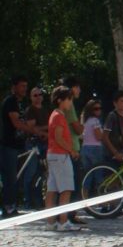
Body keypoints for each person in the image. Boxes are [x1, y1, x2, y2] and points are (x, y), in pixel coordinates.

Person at [1, 75, 37, 218]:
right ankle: (8, 207)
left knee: (14, 177)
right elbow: (16, 123)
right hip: (7, 145)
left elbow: (24, 123)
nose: (24, 89)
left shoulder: (20, 103)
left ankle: (12, 205)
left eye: (25, 86)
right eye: (22, 86)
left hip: (17, 145)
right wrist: (33, 130)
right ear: (14, 87)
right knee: (9, 177)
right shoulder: (10, 101)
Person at [46, 85, 79, 232]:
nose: (70, 102)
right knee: (66, 189)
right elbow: (59, 138)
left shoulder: (54, 114)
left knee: (52, 190)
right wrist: (71, 150)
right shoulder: (59, 116)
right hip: (61, 156)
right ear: (60, 100)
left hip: (53, 155)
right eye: (68, 99)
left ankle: (51, 222)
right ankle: (63, 222)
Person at [61, 76, 85, 224]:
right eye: (77, 87)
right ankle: (68, 215)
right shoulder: (69, 107)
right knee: (73, 184)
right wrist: (82, 125)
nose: (79, 90)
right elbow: (77, 128)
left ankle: (69, 214)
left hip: (71, 148)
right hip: (70, 149)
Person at [22, 86, 48, 210]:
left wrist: (43, 130)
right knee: (31, 172)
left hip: (44, 144)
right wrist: (45, 129)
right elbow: (32, 128)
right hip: (33, 144)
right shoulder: (30, 110)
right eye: (35, 95)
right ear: (31, 97)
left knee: (42, 173)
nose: (38, 97)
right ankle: (28, 201)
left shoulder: (45, 110)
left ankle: (38, 200)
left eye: (39, 94)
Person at [102, 91, 123, 168]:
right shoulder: (112, 116)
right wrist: (115, 153)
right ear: (115, 103)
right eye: (122, 101)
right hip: (112, 152)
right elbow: (105, 137)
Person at [80, 99, 105, 176]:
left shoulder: (84, 121)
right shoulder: (95, 121)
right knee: (98, 174)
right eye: (96, 109)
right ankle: (99, 188)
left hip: (84, 148)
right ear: (91, 110)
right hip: (95, 149)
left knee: (87, 176)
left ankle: (85, 188)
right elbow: (99, 137)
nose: (99, 110)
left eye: (100, 108)